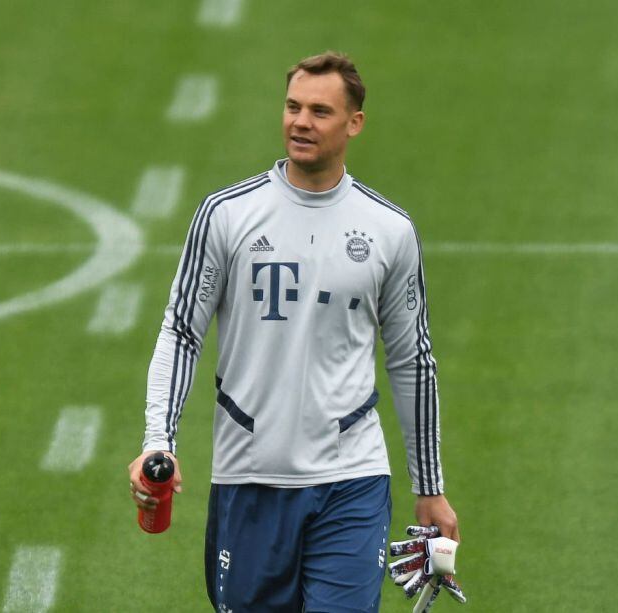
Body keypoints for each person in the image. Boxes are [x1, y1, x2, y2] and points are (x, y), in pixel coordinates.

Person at [128, 51, 458, 612]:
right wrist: (158, 442)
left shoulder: (390, 230)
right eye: (292, 107)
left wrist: (429, 484)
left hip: (352, 480)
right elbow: (182, 331)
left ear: (354, 123)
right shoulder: (226, 215)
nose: (300, 122)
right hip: (251, 477)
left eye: (319, 111)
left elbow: (411, 360)